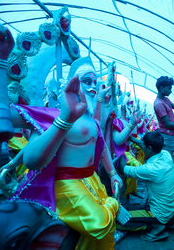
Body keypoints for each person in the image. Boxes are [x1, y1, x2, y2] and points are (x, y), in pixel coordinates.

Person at [7, 55, 130, 250]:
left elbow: (102, 145)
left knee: (102, 232)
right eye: (86, 81)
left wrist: (113, 173)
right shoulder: (57, 115)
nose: (92, 87)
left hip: (91, 180)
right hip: (67, 184)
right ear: (71, 85)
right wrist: (64, 119)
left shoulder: (92, 121)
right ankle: (114, 207)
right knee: (100, 223)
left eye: (94, 83)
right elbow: (31, 159)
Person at [117, 131, 174, 242]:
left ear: (149, 148)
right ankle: (168, 221)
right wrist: (132, 139)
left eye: (143, 145)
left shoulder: (149, 169)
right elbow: (146, 146)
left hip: (159, 213)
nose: (141, 145)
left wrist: (119, 150)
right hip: (171, 209)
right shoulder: (166, 154)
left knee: (118, 220)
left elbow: (124, 169)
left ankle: (154, 227)